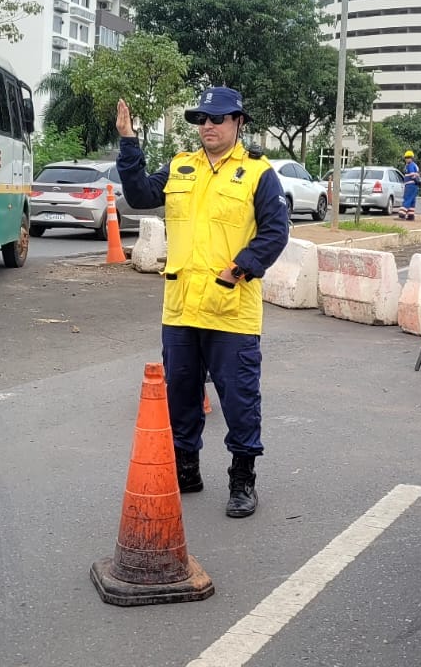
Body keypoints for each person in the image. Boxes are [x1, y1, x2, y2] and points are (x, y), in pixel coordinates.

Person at [114, 87, 290, 519]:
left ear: (238, 123)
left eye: (218, 118)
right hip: (180, 307)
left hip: (231, 310)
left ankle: (242, 479)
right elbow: (138, 196)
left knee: (239, 399)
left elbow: (275, 231)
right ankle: (187, 469)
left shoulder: (257, 174)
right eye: (202, 120)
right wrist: (128, 142)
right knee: (181, 396)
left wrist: (240, 268)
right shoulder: (180, 167)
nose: (207, 126)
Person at [399, 150, 420, 221]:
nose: (406, 159)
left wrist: (416, 180)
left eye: (408, 157)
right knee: (412, 200)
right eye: (406, 157)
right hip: (414, 185)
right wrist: (418, 182)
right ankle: (411, 215)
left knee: (407, 198)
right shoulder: (414, 165)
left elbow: (412, 174)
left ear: (411, 158)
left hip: (410, 184)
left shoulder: (410, 165)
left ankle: (402, 213)